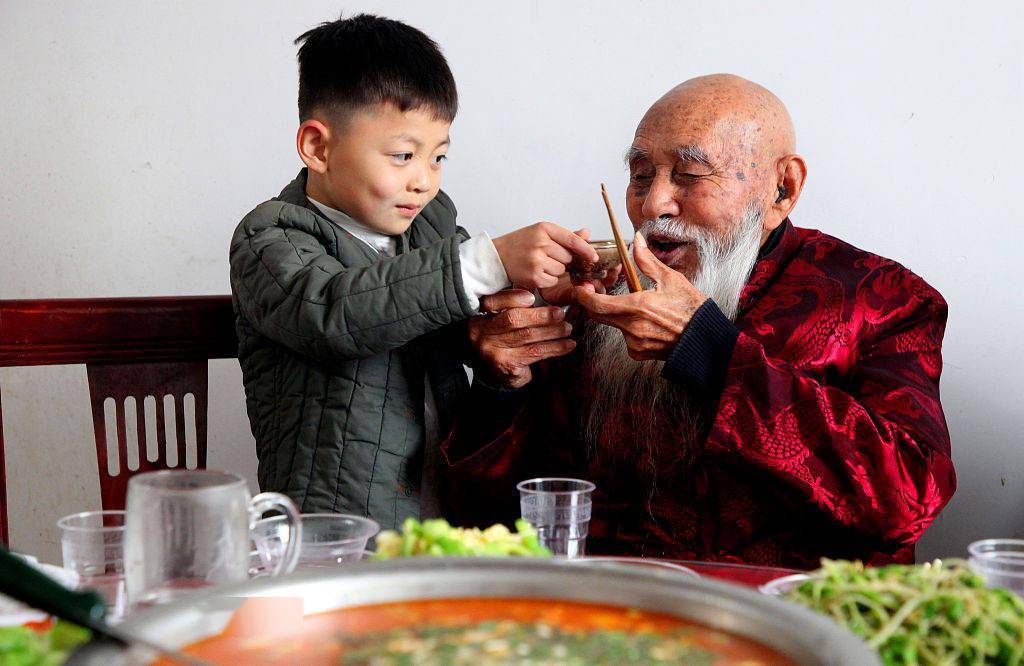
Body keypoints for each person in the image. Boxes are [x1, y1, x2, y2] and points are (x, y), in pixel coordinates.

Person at [443, 74, 955, 567]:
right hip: (607, 619)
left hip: (785, 626)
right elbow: (494, 517)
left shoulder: (884, 298)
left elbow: (908, 501)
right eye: (641, 175)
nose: (652, 204)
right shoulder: (601, 299)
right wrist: (500, 385)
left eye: (689, 175)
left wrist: (708, 350)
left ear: (783, 187)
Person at [229, 14, 596, 528]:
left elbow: (464, 325)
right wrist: (490, 262)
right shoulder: (270, 236)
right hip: (334, 534)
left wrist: (531, 291)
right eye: (403, 155)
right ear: (319, 147)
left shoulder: (432, 225)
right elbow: (336, 313)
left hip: (442, 513)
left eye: (439, 157)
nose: (424, 181)